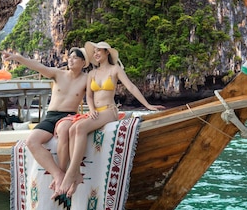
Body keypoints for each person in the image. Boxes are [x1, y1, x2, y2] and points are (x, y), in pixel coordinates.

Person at [58, 41, 166, 198]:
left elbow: (131, 87)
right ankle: (76, 176)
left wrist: (148, 105)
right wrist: (92, 110)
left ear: (107, 52)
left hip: (109, 111)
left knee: (80, 128)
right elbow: (89, 96)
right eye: (94, 51)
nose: (96, 54)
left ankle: (72, 174)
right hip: (96, 111)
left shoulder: (115, 69)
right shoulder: (92, 74)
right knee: (73, 128)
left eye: (99, 51)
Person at [2, 47, 90, 193]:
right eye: (70, 57)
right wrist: (16, 57)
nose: (70, 60)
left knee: (63, 131)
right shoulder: (58, 74)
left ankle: (63, 174)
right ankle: (58, 174)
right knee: (32, 141)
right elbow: (37, 66)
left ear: (83, 62)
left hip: (68, 116)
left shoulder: (87, 79)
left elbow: (99, 92)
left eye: (75, 58)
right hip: (50, 116)